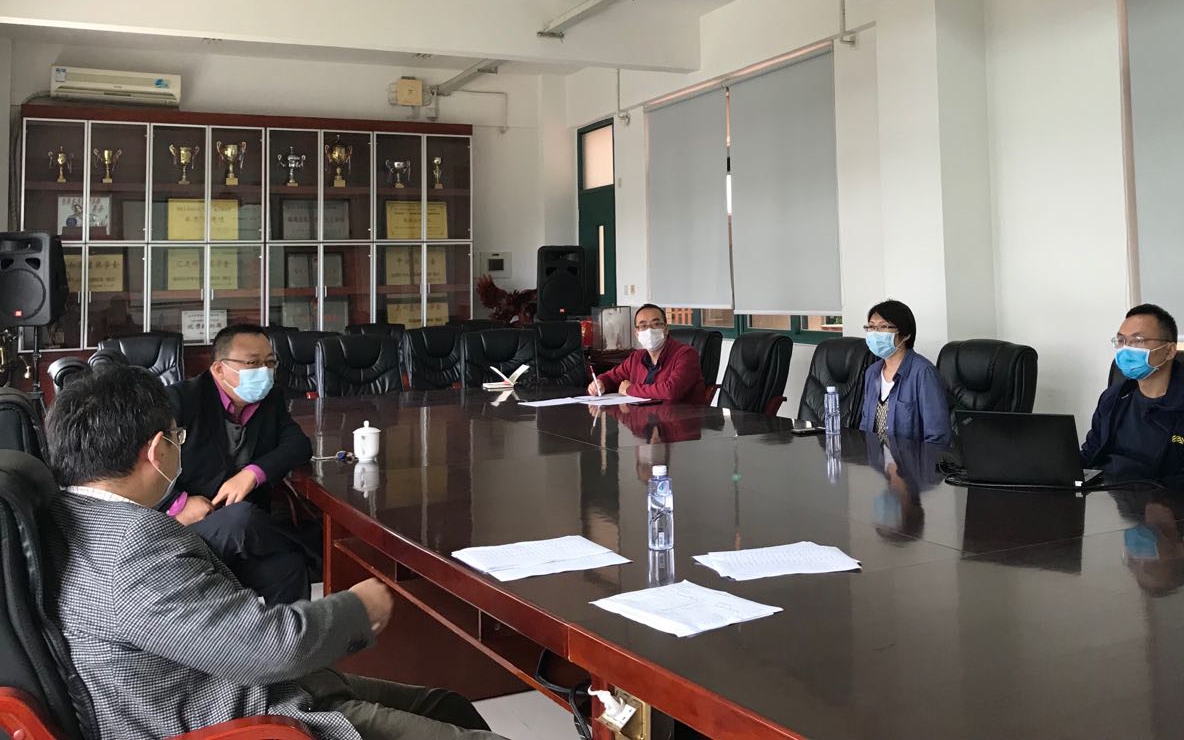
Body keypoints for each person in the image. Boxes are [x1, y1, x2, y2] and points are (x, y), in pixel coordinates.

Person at [44, 365, 505, 740]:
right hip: (248, 718)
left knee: (447, 706)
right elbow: (267, 648)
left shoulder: (71, 515)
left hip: (233, 686)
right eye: (176, 438)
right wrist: (357, 609)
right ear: (155, 451)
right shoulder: (132, 545)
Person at [158, 322, 314, 604]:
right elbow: (141, 462)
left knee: (288, 566)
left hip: (244, 535)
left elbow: (298, 445)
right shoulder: (180, 400)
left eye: (270, 362)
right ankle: (318, 552)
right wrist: (177, 503)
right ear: (219, 369)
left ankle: (289, 634)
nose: (264, 371)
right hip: (187, 529)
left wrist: (253, 474)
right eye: (252, 363)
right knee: (243, 518)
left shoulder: (270, 398)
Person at [1081, 303, 1184, 496]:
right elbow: (1090, 453)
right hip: (1105, 497)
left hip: (1158, 503)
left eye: (1138, 340)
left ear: (1169, 351)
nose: (1126, 349)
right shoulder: (1113, 397)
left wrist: (1154, 496)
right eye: (1121, 341)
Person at [857, 300, 951, 447]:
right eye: (871, 327)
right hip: (874, 459)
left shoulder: (923, 373)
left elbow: (937, 437)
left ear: (906, 334)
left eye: (883, 327)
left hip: (912, 460)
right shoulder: (872, 372)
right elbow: (865, 426)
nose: (875, 333)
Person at [586, 304, 706, 404]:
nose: (649, 330)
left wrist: (630, 389)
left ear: (666, 329)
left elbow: (671, 391)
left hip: (680, 420)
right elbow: (612, 377)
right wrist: (600, 383)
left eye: (656, 324)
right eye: (643, 326)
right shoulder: (636, 357)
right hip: (644, 421)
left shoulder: (686, 355)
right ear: (637, 333)